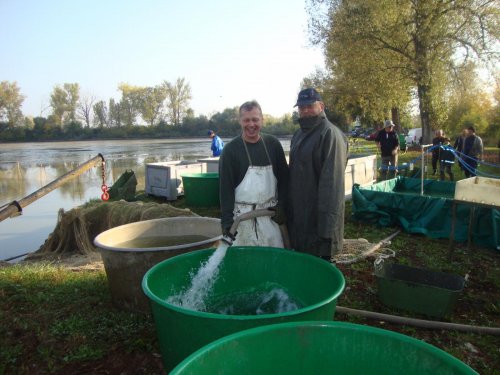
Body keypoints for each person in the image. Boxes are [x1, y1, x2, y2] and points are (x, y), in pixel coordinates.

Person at [287, 88, 348, 261]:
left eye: (309, 106)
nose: (305, 110)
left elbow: (332, 186)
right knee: (303, 266)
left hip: (321, 222)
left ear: (321, 106)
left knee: (322, 271)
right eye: (301, 107)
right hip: (301, 218)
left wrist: (327, 230)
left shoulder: (330, 134)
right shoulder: (298, 134)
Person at [218, 100, 288, 247]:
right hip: (241, 221)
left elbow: (284, 179)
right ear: (240, 121)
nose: (251, 125)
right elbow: (226, 190)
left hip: (270, 217)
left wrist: (283, 205)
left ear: (262, 120)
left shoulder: (273, 144)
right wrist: (227, 221)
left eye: (255, 119)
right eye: (246, 120)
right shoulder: (230, 150)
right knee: (243, 265)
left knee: (274, 263)